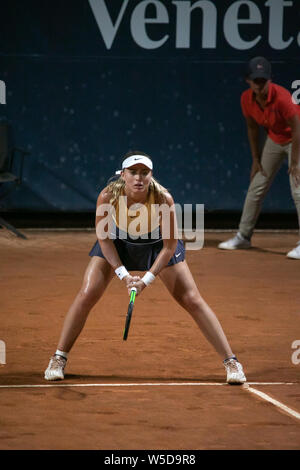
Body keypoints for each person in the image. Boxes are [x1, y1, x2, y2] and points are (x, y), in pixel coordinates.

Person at [44, 151, 246, 384]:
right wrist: (123, 274)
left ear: (151, 175)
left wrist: (146, 280)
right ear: (123, 175)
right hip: (117, 243)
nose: (138, 178)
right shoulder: (108, 196)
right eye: (133, 172)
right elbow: (104, 240)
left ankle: (231, 361)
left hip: (157, 246)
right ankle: (59, 357)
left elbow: (169, 247)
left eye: (144, 172)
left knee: (192, 299)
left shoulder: (163, 199)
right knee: (87, 293)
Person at [218, 57, 300, 258]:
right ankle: (243, 237)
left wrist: (296, 161)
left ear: (270, 80)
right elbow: (253, 128)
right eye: (256, 81)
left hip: (296, 139)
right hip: (275, 139)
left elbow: (298, 128)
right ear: (248, 81)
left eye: (264, 80)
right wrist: (255, 158)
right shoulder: (246, 99)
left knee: (298, 188)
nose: (260, 85)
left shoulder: (282, 98)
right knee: (257, 185)